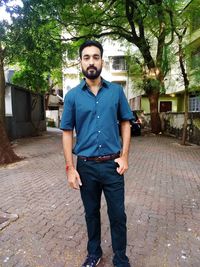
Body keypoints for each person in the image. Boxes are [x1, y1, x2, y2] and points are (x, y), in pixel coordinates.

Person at [60, 40, 133, 267]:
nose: (91, 61)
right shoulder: (72, 96)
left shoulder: (116, 92)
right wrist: (70, 168)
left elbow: (126, 123)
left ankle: (120, 257)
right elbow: (66, 132)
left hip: (113, 165)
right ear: (80, 62)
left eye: (96, 57)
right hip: (86, 167)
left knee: (118, 215)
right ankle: (94, 253)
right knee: (91, 214)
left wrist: (125, 156)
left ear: (102, 60)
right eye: (86, 57)